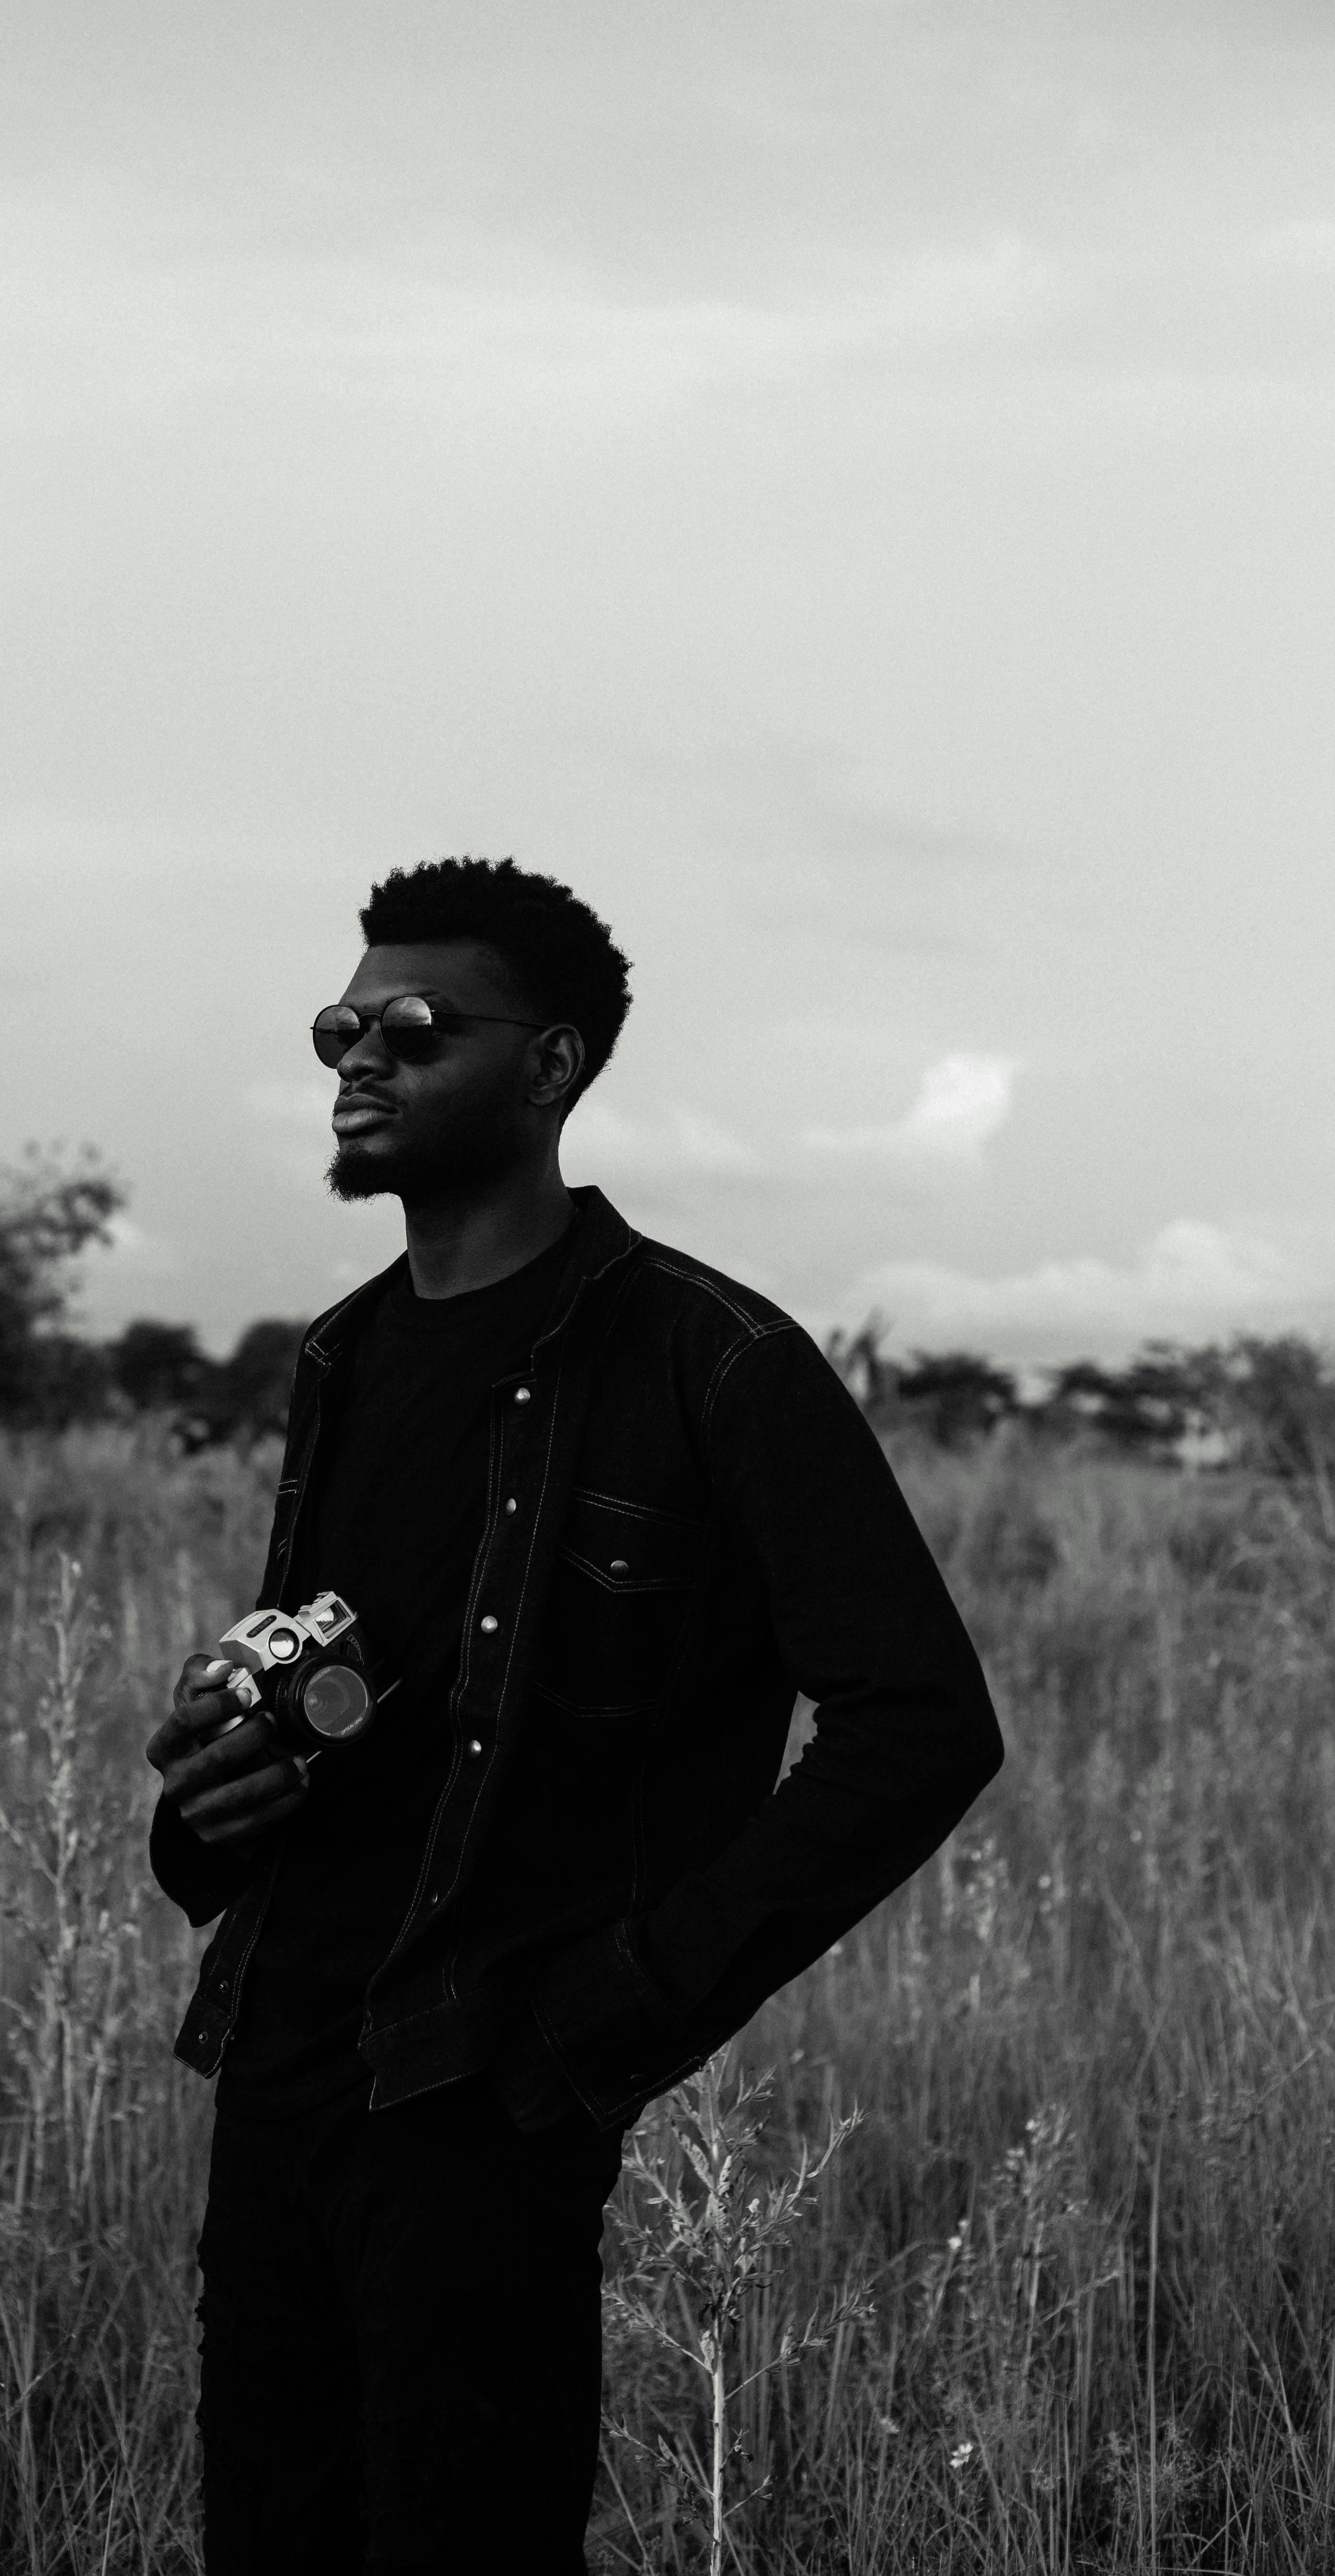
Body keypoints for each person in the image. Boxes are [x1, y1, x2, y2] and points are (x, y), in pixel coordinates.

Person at [145, 857, 1002, 2574]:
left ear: (551, 1066)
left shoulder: (714, 1360)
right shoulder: (344, 1354)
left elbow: (921, 1724)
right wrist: (216, 1791)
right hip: (283, 2067)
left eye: (413, 1026)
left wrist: (607, 2017)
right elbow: (367, 1692)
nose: (360, 1056)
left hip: (484, 2097)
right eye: (337, 1027)